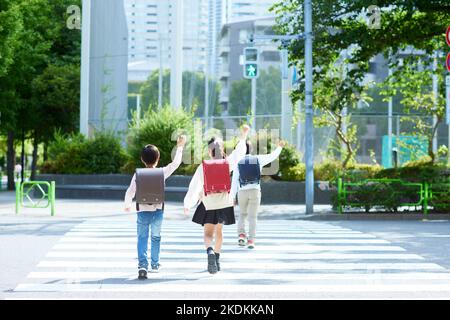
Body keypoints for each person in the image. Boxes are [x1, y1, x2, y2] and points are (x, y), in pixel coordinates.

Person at [183, 125, 250, 274]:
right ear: (222, 150)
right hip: (225, 203)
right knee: (219, 232)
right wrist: (244, 135)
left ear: (209, 151)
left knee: (208, 234)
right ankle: (217, 260)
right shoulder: (228, 164)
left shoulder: (203, 167)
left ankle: (210, 252)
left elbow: (194, 187)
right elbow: (240, 152)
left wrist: (188, 204)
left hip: (209, 203)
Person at [124, 135, 186, 280]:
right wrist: (180, 146)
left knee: (142, 238)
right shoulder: (162, 172)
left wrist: (127, 205)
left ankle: (142, 265)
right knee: (156, 237)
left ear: (142, 159)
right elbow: (176, 163)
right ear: (157, 159)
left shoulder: (138, 174)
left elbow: (130, 191)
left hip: (142, 211)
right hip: (158, 211)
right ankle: (155, 263)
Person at [231, 139, 286, 249]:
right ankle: (251, 240)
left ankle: (241, 235)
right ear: (251, 149)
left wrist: (232, 197)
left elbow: (235, 180)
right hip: (255, 191)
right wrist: (279, 147)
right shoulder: (258, 159)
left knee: (242, 214)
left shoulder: (238, 161)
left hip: (242, 191)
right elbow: (272, 156)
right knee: (253, 217)